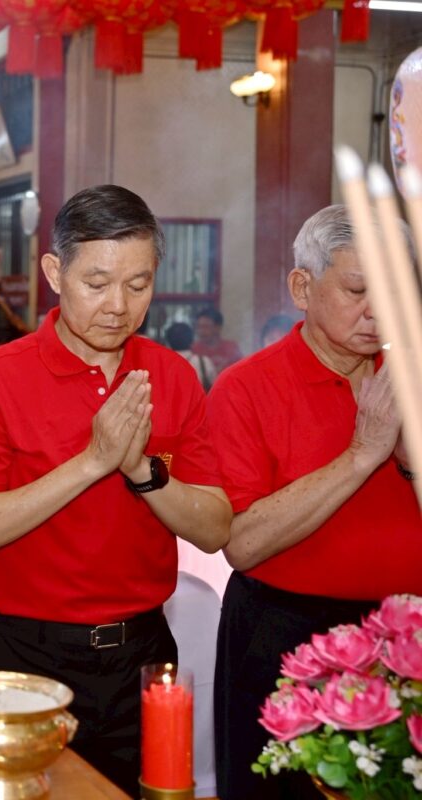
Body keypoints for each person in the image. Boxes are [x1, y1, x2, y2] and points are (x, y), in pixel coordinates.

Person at [0, 185, 232, 794]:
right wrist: (92, 462)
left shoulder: (172, 375)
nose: (119, 306)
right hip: (24, 656)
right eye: (97, 283)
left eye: (139, 284)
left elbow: (214, 528)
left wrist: (142, 471)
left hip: (140, 651)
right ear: (56, 273)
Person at [208, 205, 422, 800]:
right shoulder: (246, 387)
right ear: (302, 287)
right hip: (284, 634)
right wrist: (361, 455)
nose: (378, 310)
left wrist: (408, 458)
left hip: (406, 638)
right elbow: (243, 544)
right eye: (358, 290)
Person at [164, 321, 218, 390]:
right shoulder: (204, 362)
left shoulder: (161, 364)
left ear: (168, 342)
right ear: (192, 340)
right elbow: (215, 388)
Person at [192, 305, 243, 373]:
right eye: (199, 327)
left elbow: (241, 371)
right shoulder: (194, 349)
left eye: (206, 327)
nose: (201, 331)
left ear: (218, 327)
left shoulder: (231, 348)